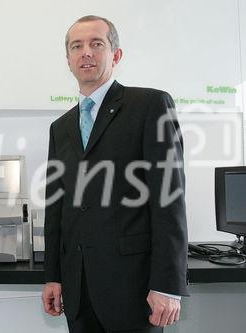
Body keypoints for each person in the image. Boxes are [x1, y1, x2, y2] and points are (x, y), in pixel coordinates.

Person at [41, 15, 188, 333]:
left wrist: (167, 284)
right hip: (78, 290)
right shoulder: (61, 127)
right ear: (68, 60)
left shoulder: (150, 106)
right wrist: (53, 274)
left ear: (115, 55)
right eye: (76, 46)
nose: (86, 53)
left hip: (133, 290)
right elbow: (58, 208)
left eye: (97, 44)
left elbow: (169, 199)